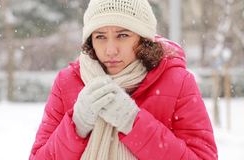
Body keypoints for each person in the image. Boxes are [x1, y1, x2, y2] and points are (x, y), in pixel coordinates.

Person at [29, 0, 218, 159]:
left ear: (143, 39)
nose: (111, 50)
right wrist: (76, 125)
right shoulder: (67, 82)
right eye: (100, 36)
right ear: (90, 41)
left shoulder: (177, 82)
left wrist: (133, 123)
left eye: (123, 35)